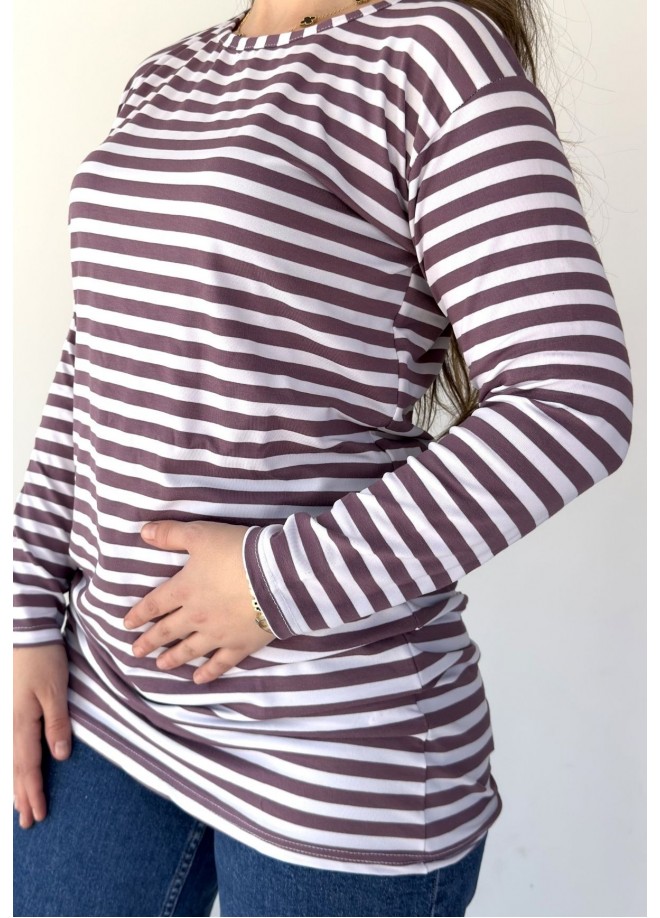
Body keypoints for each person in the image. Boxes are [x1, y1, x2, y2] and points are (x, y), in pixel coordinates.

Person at [12, 0, 634, 915]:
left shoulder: (433, 56)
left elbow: (573, 398)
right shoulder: (169, 76)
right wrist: (30, 614)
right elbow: (96, 361)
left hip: (332, 743)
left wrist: (273, 585)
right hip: (110, 699)